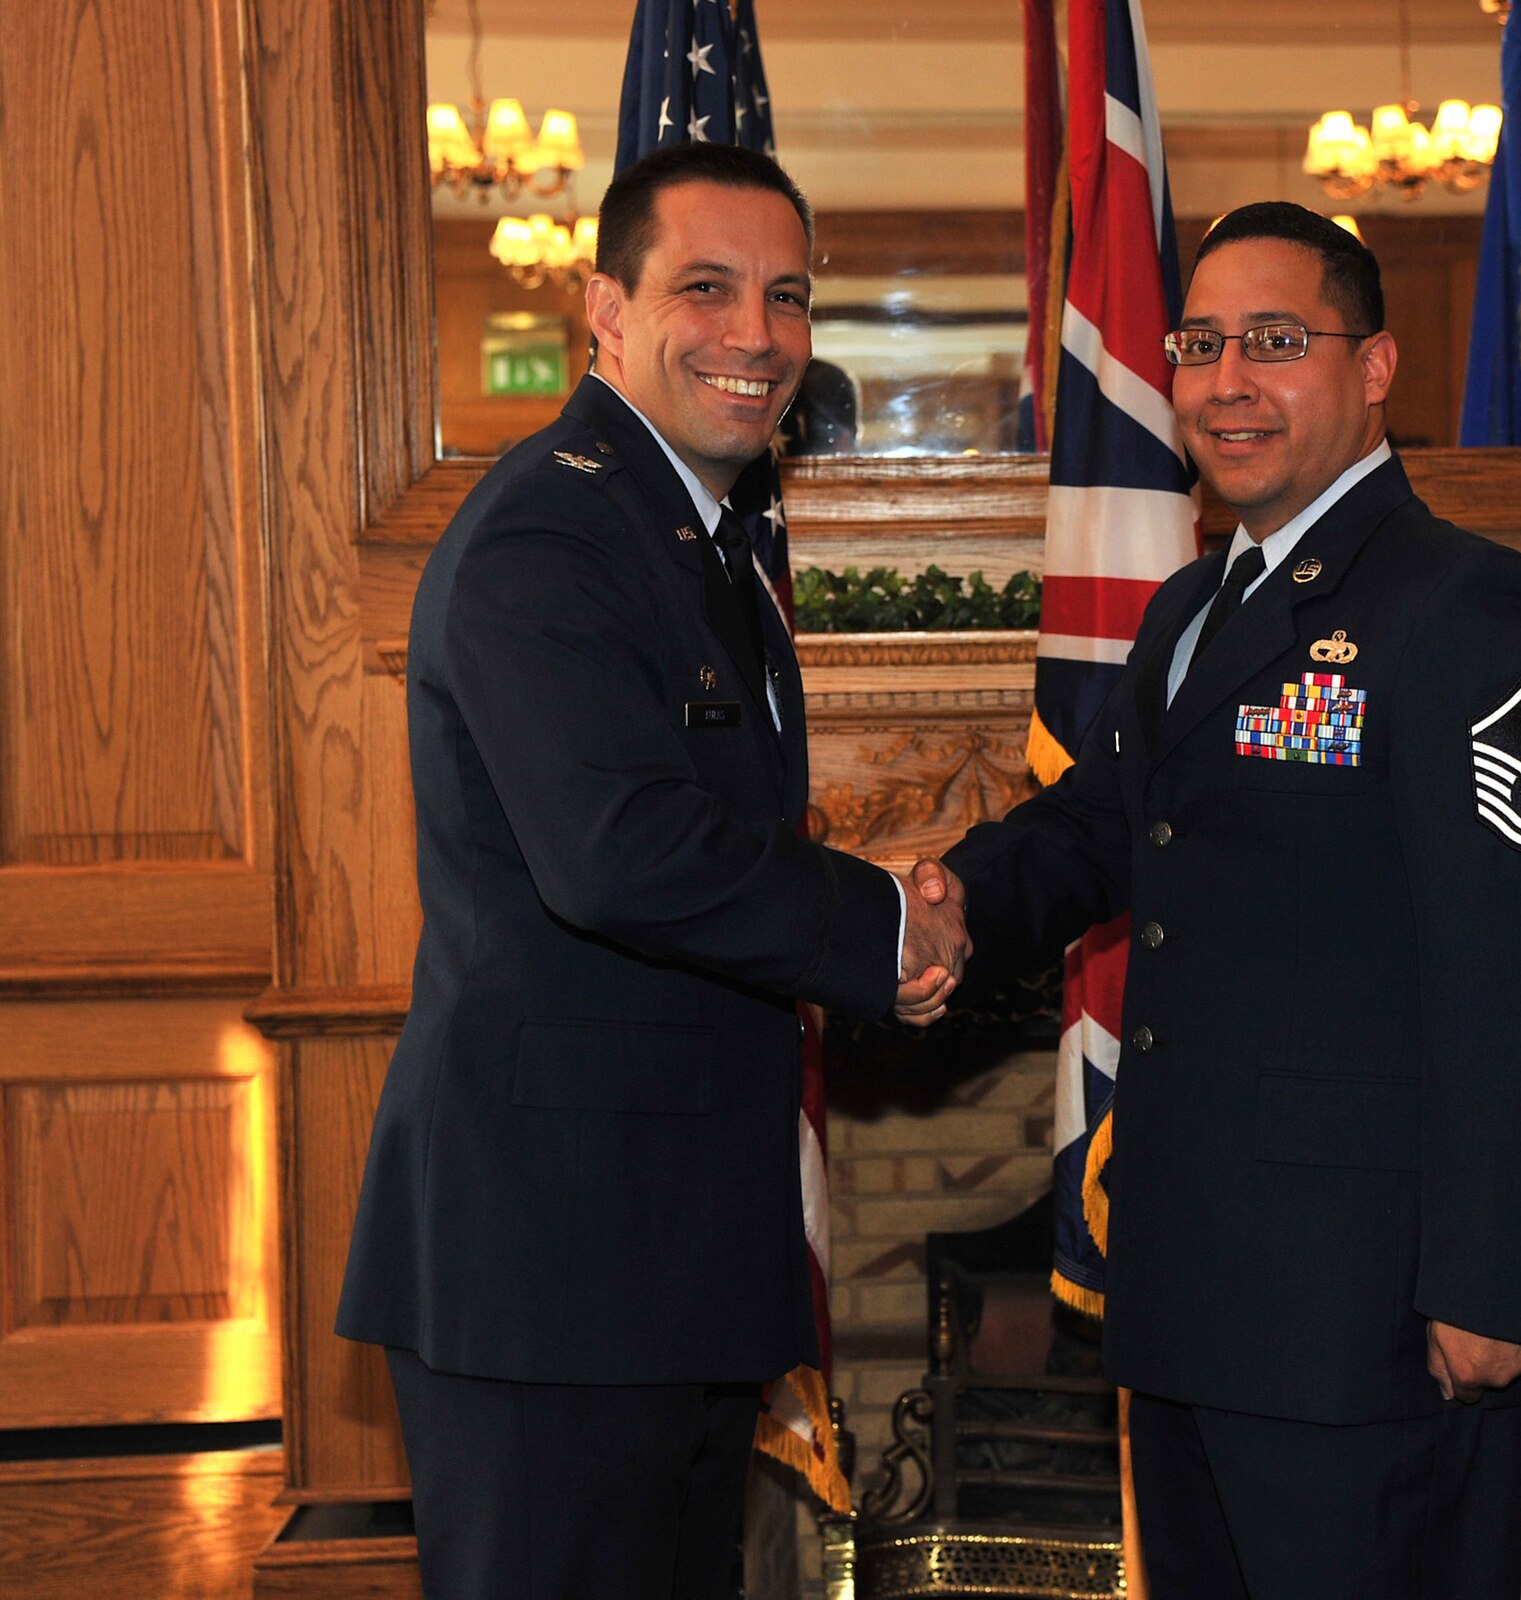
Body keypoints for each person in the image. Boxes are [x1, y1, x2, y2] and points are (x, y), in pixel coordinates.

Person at [931, 202, 1521, 1599]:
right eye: (1200, 345)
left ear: (1377, 368)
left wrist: (1496, 1286)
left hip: (1371, 1321)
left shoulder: (1467, 608)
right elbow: (1097, 833)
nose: (1226, 380)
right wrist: (914, 912)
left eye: (1276, 341)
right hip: (1193, 1297)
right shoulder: (1191, 610)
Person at [335, 143, 966, 1600]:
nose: (757, 334)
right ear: (605, 309)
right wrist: (880, 925)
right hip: (550, 1265)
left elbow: (704, 832)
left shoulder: (695, 528)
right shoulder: (552, 527)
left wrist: (875, 914)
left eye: (788, 296)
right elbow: (616, 853)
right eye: (706, 288)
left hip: (657, 1254)